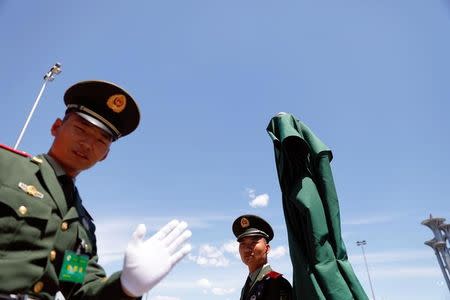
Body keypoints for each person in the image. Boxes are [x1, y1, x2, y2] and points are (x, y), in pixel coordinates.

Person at [0, 80, 192, 300]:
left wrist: (126, 287)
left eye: (101, 140)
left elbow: (79, 289)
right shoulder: (6, 166)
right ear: (56, 127)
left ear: (105, 155)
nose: (88, 144)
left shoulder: (82, 227)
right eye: (81, 129)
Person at [232, 214, 292, 300]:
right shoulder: (246, 287)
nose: (247, 249)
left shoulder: (277, 283)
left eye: (253, 242)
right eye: (243, 244)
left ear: (267, 248)